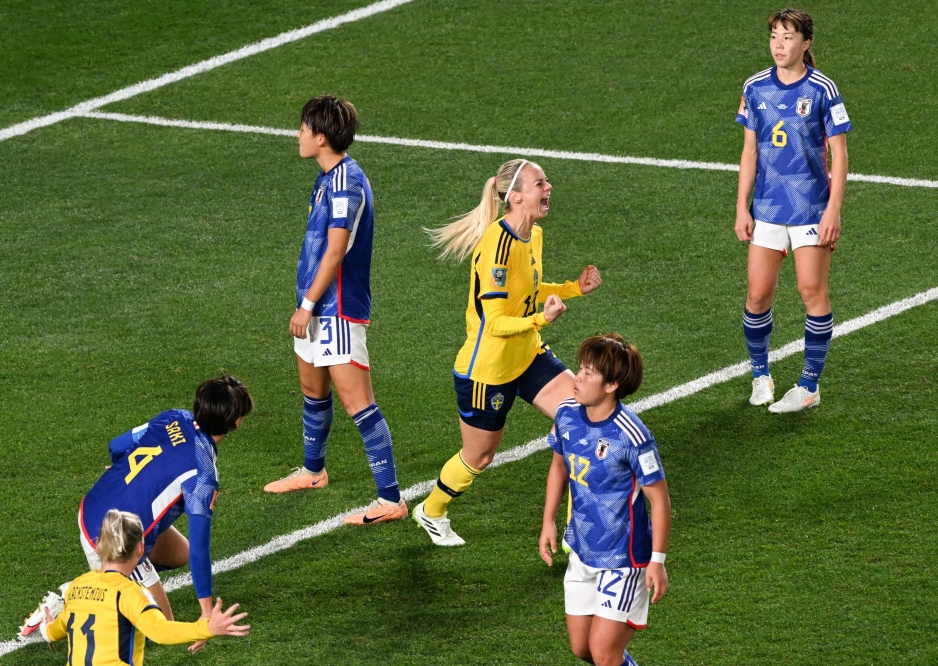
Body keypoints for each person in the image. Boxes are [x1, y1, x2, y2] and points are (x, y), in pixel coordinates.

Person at [413, 158, 602, 546]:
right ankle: (431, 511)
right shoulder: (496, 248)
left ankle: (577, 533)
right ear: (515, 197)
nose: (548, 188)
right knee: (479, 457)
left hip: (528, 355)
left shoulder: (533, 235)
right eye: (539, 183)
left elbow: (528, 289)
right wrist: (542, 320)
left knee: (582, 418)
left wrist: (572, 288)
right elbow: (495, 322)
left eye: (546, 181)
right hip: (489, 371)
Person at [18, 375, 254, 649]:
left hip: (94, 506)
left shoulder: (174, 417)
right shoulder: (202, 475)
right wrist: (206, 616)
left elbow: (116, 446)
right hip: (111, 538)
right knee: (163, 626)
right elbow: (201, 550)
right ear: (236, 422)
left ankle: (101, 578)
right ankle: (65, 601)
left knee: (181, 554)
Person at [265, 95, 406, 527]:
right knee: (312, 390)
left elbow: (335, 250)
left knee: (359, 405)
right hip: (314, 304)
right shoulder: (327, 177)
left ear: (322, 137)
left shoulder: (346, 183)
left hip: (336, 308)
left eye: (303, 128)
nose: (298, 135)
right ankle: (313, 472)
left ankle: (391, 499)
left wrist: (308, 305)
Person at [734, 8, 851, 413]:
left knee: (811, 291)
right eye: (774, 37)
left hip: (811, 208)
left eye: (788, 37)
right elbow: (749, 152)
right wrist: (741, 207)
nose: (779, 45)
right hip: (767, 207)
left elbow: (840, 154)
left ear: (806, 43)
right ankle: (760, 376)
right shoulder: (754, 87)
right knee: (757, 294)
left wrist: (833, 210)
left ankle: (809, 386)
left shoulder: (822, 89)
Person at [539, 334, 670, 666]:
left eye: (588, 373)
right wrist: (548, 521)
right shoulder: (566, 414)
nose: (577, 377)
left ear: (611, 385)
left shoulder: (632, 436)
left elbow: (659, 500)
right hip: (582, 548)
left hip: (623, 558)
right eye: (580, 368)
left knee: (603, 652)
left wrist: (657, 561)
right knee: (582, 649)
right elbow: (559, 466)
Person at [36, 509, 249, 665]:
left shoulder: (77, 586)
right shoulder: (131, 594)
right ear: (140, 549)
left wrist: (46, 629)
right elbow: (160, 631)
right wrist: (207, 628)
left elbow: (58, 628)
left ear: (99, 544)